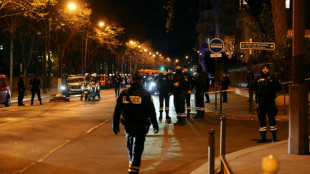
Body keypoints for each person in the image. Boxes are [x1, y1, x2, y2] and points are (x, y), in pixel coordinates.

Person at [112, 71, 159, 174]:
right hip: (141, 125)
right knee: (137, 150)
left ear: (131, 80)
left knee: (130, 146)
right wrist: (155, 125)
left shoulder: (124, 93)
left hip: (128, 125)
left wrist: (115, 126)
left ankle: (132, 166)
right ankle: (133, 170)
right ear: (141, 81)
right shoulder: (145, 94)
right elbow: (152, 112)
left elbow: (117, 111)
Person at [250, 65, 282, 143]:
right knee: (262, 120)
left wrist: (272, 82)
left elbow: (279, 87)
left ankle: (273, 137)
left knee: (272, 119)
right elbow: (251, 87)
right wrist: (256, 82)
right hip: (261, 102)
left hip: (270, 101)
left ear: (269, 70)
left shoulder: (272, 78)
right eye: (263, 68)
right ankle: (263, 137)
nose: (265, 70)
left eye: (266, 68)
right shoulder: (258, 79)